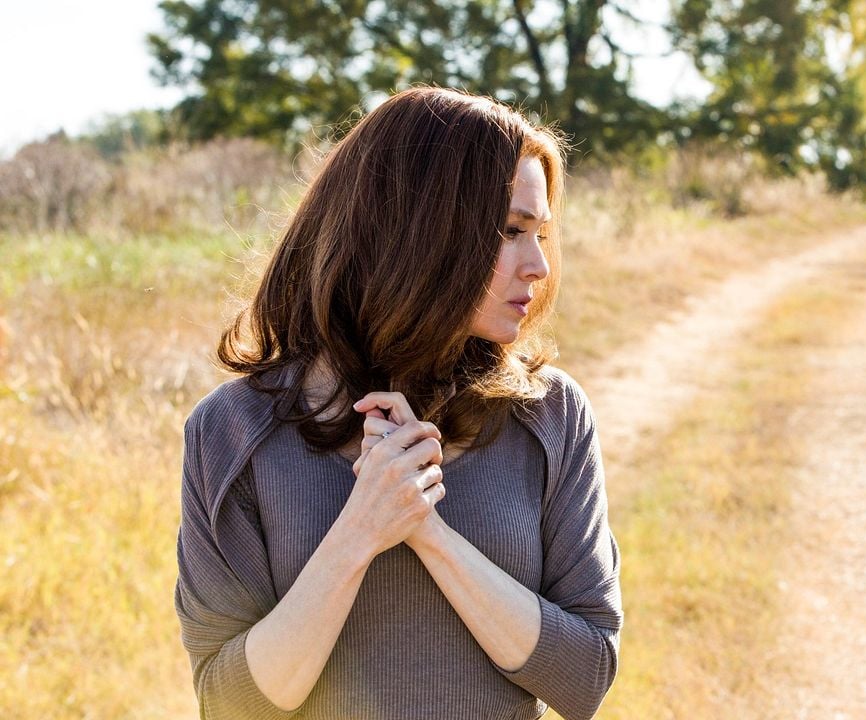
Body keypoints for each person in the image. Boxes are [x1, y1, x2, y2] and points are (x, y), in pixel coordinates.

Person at [174, 87, 622, 720]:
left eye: (541, 234)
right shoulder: (232, 430)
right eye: (513, 232)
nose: (539, 266)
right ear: (418, 231)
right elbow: (227, 705)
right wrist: (361, 530)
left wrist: (429, 534)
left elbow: (586, 678)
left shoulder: (549, 415)